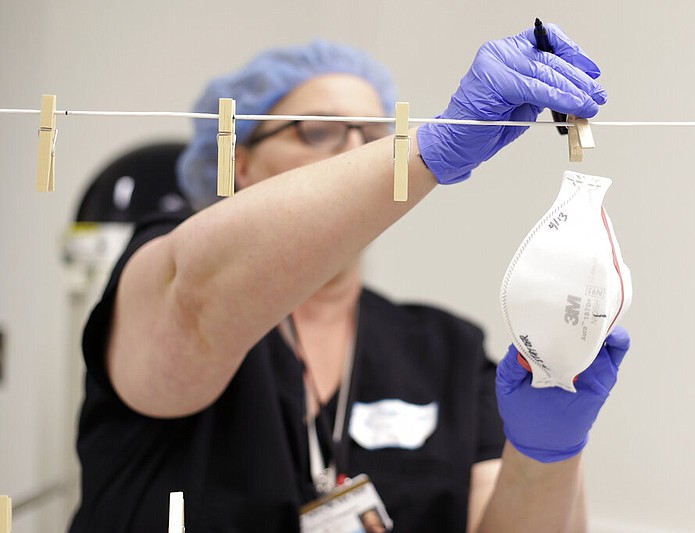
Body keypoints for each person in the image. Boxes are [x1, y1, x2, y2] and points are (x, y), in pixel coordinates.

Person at [68, 22, 630, 533]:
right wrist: (427, 152)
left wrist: (547, 454)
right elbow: (191, 305)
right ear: (236, 159)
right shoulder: (166, 271)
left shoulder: (444, 351)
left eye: (374, 135)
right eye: (323, 132)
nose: (358, 153)